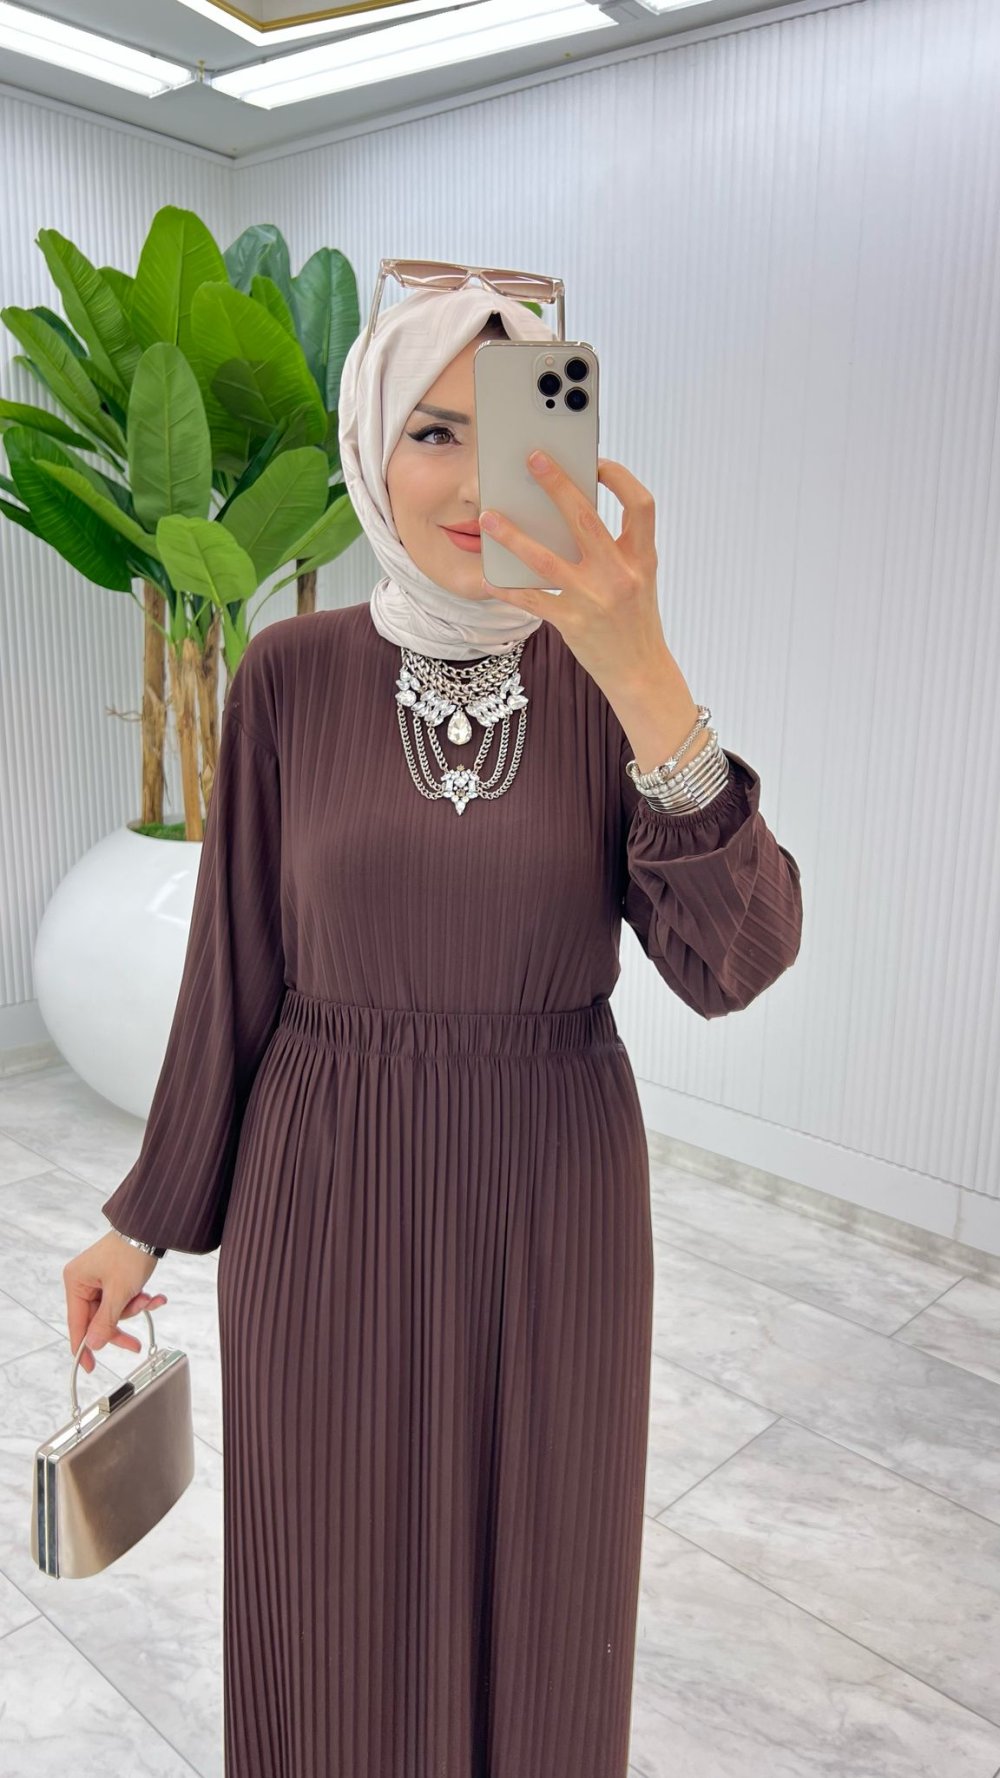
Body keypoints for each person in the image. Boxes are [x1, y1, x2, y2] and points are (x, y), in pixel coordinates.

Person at [63, 280, 803, 1777]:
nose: (471, 484)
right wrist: (144, 1223)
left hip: (555, 1198)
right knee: (331, 1584)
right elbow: (234, 972)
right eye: (432, 431)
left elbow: (737, 960)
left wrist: (643, 664)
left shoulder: (610, 683)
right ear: (370, 447)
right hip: (324, 1195)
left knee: (548, 1583)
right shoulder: (290, 676)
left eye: (510, 433)